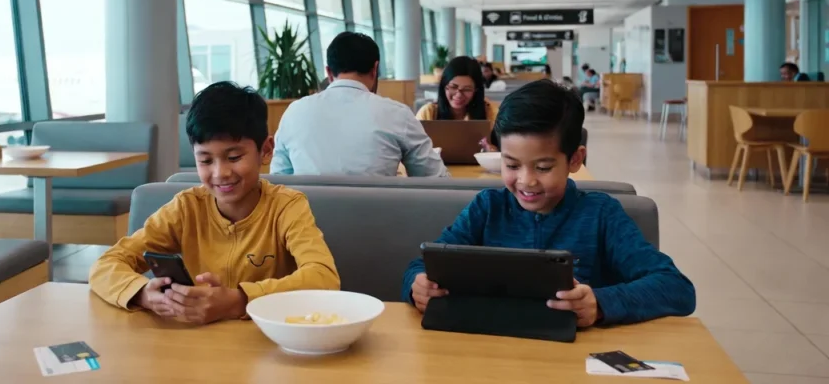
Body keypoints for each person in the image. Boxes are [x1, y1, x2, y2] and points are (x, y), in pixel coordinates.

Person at [402, 80, 695, 327]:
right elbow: (422, 265)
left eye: (543, 168)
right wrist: (418, 285)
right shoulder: (488, 208)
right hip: (495, 352)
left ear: (576, 159)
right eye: (512, 165)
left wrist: (601, 303)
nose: (526, 181)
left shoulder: (600, 214)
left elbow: (676, 288)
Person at [89, 82, 340, 324]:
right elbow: (107, 264)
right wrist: (142, 294)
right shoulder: (186, 208)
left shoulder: (287, 207)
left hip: (266, 342)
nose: (220, 173)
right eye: (206, 161)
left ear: (265, 150)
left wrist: (238, 300)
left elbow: (324, 278)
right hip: (198, 346)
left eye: (234, 157)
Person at [271, 31, 448, 177]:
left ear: (329, 72)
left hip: (304, 217)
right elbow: (436, 179)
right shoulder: (397, 113)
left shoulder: (294, 112)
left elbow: (279, 179)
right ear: (375, 68)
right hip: (380, 218)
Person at [416, 56, 492, 122]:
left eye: (467, 89)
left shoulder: (490, 112)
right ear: (444, 86)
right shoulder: (428, 113)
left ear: (476, 90)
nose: (459, 95)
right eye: (453, 87)